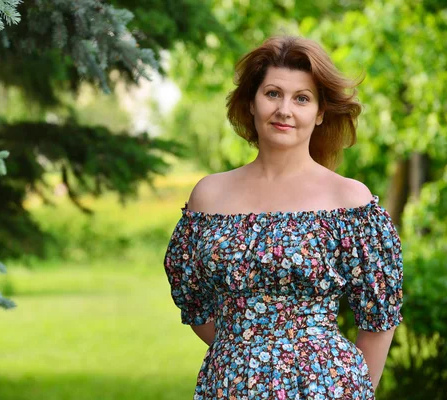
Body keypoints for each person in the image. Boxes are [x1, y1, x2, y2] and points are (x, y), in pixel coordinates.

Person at [163, 35, 403, 399]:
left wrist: (352, 389)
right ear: (251, 102)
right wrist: (246, 351)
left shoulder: (350, 202)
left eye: (301, 98)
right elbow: (193, 301)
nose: (284, 110)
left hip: (327, 388)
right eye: (273, 93)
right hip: (230, 386)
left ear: (320, 112)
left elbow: (378, 317)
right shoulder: (209, 197)